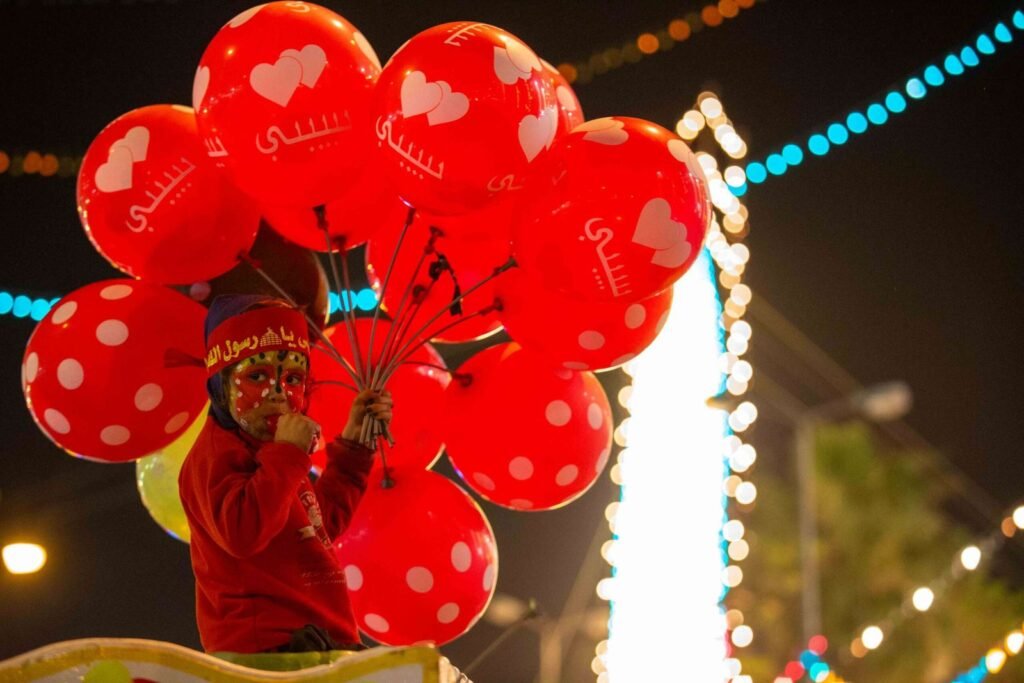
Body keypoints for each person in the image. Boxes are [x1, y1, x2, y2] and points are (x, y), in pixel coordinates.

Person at [179, 295, 392, 654]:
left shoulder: (274, 449)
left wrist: (355, 446)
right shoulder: (215, 454)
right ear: (221, 384)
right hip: (269, 650)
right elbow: (242, 533)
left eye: (293, 378)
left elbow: (315, 526)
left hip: (323, 641)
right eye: (257, 376)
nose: (277, 393)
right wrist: (289, 455)